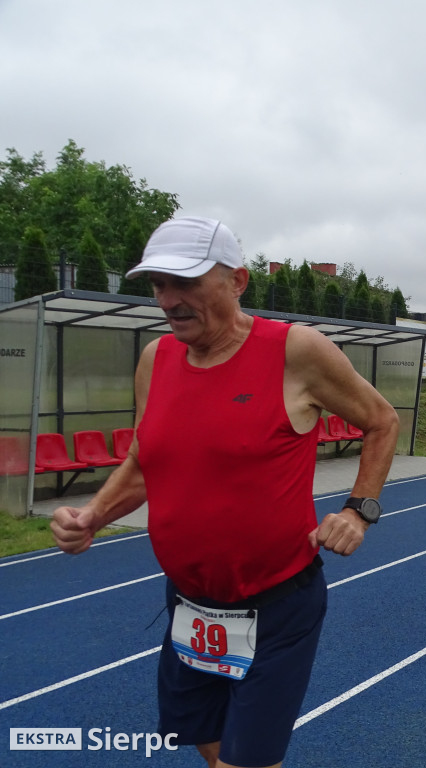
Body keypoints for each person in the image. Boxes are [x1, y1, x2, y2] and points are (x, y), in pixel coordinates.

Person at [50, 217, 400, 768]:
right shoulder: (155, 359)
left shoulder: (295, 351)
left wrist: (359, 511)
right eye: (158, 285)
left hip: (277, 602)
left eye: (184, 282)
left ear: (237, 281)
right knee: (207, 742)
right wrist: (92, 515)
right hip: (190, 603)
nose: (168, 299)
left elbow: (381, 420)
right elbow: (145, 460)